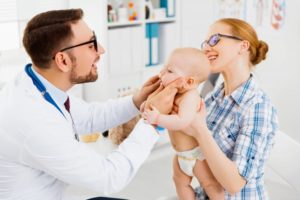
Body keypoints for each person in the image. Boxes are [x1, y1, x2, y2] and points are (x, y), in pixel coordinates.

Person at [0, 9, 179, 200]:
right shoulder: (33, 120)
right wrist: (153, 120)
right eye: (91, 44)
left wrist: (137, 100)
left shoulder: (34, 84)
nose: (101, 49)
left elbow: (90, 116)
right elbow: (110, 177)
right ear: (63, 60)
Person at [175, 18, 278, 199]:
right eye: (205, 42)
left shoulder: (258, 107)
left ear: (242, 46)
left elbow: (234, 184)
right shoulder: (213, 98)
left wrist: (200, 130)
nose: (206, 48)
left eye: (214, 40)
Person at [142, 48, 225, 200]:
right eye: (164, 68)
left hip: (196, 155)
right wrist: (148, 103)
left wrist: (157, 119)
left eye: (169, 71)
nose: (162, 73)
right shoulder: (172, 93)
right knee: (180, 182)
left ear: (189, 82)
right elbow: (152, 107)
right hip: (180, 154)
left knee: (210, 185)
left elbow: (182, 121)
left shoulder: (190, 97)